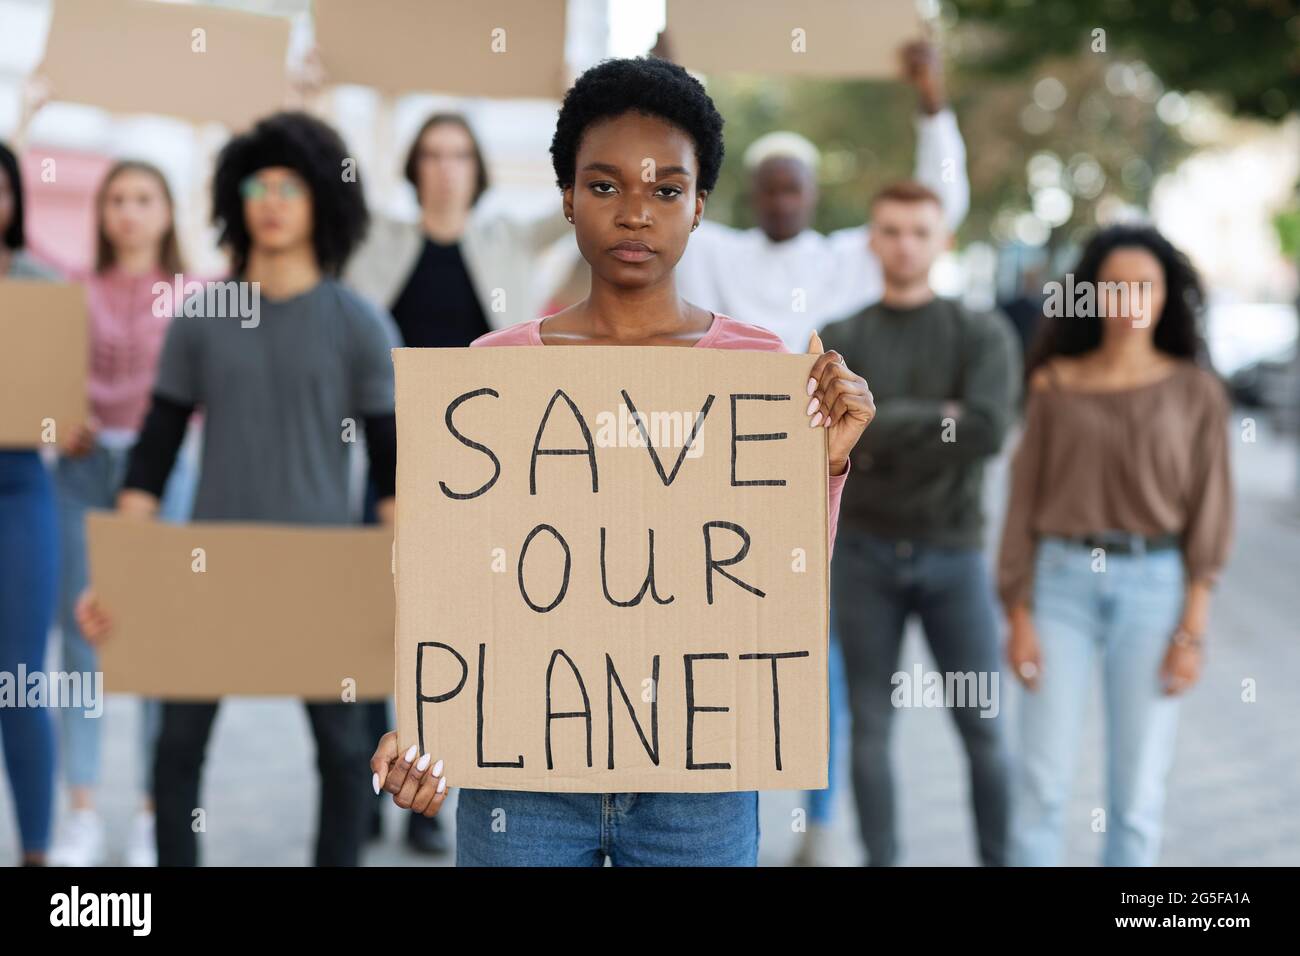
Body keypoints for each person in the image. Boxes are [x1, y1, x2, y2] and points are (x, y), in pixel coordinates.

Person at [370, 55, 876, 866]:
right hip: (524, 773)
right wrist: (426, 723)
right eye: (604, 186)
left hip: (697, 775)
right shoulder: (495, 367)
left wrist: (829, 468)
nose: (636, 213)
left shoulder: (758, 369)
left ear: (700, 206)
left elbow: (772, 576)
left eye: (666, 190)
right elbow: (455, 573)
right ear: (567, 198)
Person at [75, 112, 400, 867]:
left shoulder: (360, 324)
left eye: (290, 187)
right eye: (258, 187)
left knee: (344, 752)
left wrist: (401, 584)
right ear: (235, 200)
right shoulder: (201, 319)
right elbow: (152, 459)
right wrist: (116, 575)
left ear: (321, 200)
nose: (271, 202)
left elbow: (392, 474)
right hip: (211, 570)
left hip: (325, 575)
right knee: (176, 747)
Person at [344, 111, 578, 854]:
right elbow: (329, 190)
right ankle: (366, 783)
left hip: (481, 468)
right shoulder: (380, 241)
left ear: (477, 170)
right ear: (415, 168)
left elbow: (583, 192)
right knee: (378, 626)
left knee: (452, 631)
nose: (446, 168)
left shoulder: (507, 239)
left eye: (459, 155)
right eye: (433, 154)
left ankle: (428, 795)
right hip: (389, 461)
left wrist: (577, 95)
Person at [998, 224, 1234, 867]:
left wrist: (1193, 628)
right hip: (1057, 587)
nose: (1130, 301)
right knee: (1041, 787)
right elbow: (1021, 504)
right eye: (1114, 287)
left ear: (1167, 296)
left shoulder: (1197, 391)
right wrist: (1017, 611)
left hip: (1155, 588)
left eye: (1145, 287)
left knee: (1136, 799)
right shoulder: (1054, 384)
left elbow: (1211, 509)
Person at [819, 180, 1019, 866]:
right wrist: (940, 416)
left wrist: (877, 422)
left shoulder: (981, 333)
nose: (905, 245)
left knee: (983, 728)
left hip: (952, 552)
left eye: (919, 232)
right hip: (862, 553)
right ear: (872, 240)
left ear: (944, 241)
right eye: (891, 230)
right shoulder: (842, 338)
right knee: (869, 728)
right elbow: (826, 439)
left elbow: (987, 430)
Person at [43, 160, 199, 867]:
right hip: (82, 471)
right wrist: (56, 417)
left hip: (165, 474)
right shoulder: (71, 288)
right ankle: (79, 812)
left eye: (143, 199)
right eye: (117, 200)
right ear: (101, 213)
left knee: (159, 644)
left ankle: (150, 815)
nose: (129, 212)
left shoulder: (198, 296)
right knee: (83, 640)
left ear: (167, 211)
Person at [667, 39, 970, 354]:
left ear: (814, 194)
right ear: (752, 196)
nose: (781, 202)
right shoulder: (712, 253)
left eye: (792, 190)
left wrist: (932, 103)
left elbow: (937, 206)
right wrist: (668, 83)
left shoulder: (845, 259)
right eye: (770, 190)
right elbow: (664, 196)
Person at [0, 140, 61, 866]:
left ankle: (38, 854)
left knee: (18, 678)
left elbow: (63, 397)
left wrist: (68, 425)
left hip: (19, 486)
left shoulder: (43, 285)